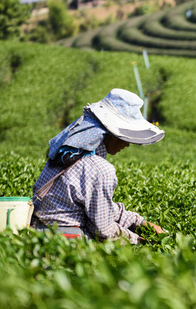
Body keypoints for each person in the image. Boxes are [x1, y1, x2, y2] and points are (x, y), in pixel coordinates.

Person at [31, 89, 166, 243]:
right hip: (66, 242)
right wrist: (139, 240)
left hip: (36, 235)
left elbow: (100, 208)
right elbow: (103, 230)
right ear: (110, 133)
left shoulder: (66, 153)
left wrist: (139, 222)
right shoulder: (100, 170)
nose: (128, 143)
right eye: (124, 136)